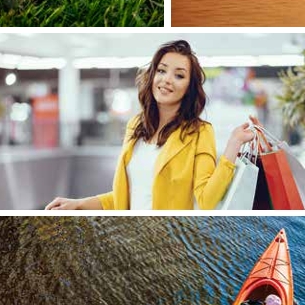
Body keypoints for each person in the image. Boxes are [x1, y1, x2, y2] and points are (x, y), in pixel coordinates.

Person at [45, 40, 263, 210]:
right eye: (161, 70)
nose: (167, 79)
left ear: (189, 87)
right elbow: (126, 198)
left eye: (179, 75)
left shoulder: (199, 132)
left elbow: (207, 201)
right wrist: (78, 204)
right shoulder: (136, 126)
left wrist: (233, 144)